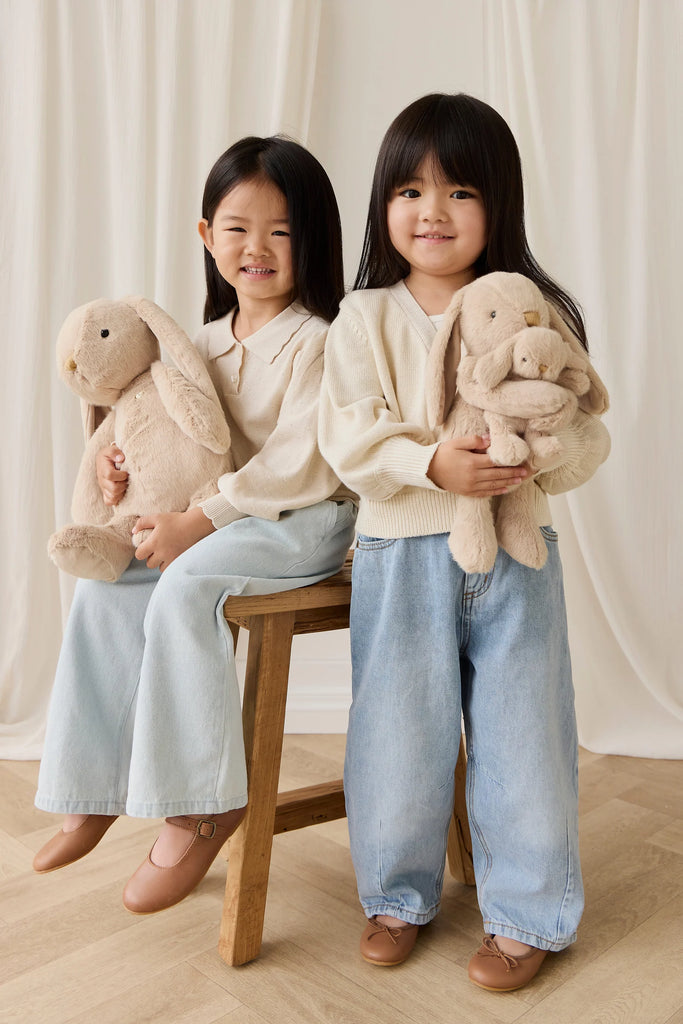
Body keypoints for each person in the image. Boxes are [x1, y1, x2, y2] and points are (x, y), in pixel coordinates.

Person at [319, 93, 610, 991]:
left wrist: (540, 459)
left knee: (525, 730)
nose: (431, 211)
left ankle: (526, 912)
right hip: (401, 554)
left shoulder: (535, 314)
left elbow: (586, 426)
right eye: (409, 190)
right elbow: (347, 435)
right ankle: (394, 895)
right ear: (383, 205)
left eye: (458, 193)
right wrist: (430, 463)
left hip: (520, 558)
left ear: (499, 205)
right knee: (396, 731)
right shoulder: (363, 317)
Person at [34, 136, 357, 915]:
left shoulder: (320, 342)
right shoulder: (193, 348)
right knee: (108, 586)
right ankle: (99, 782)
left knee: (184, 583)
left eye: (280, 231)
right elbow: (159, 436)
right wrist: (124, 474)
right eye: (237, 228)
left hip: (305, 523)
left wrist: (198, 523)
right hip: (215, 522)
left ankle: (200, 806)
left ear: (310, 239)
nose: (257, 248)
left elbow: (300, 466)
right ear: (207, 234)